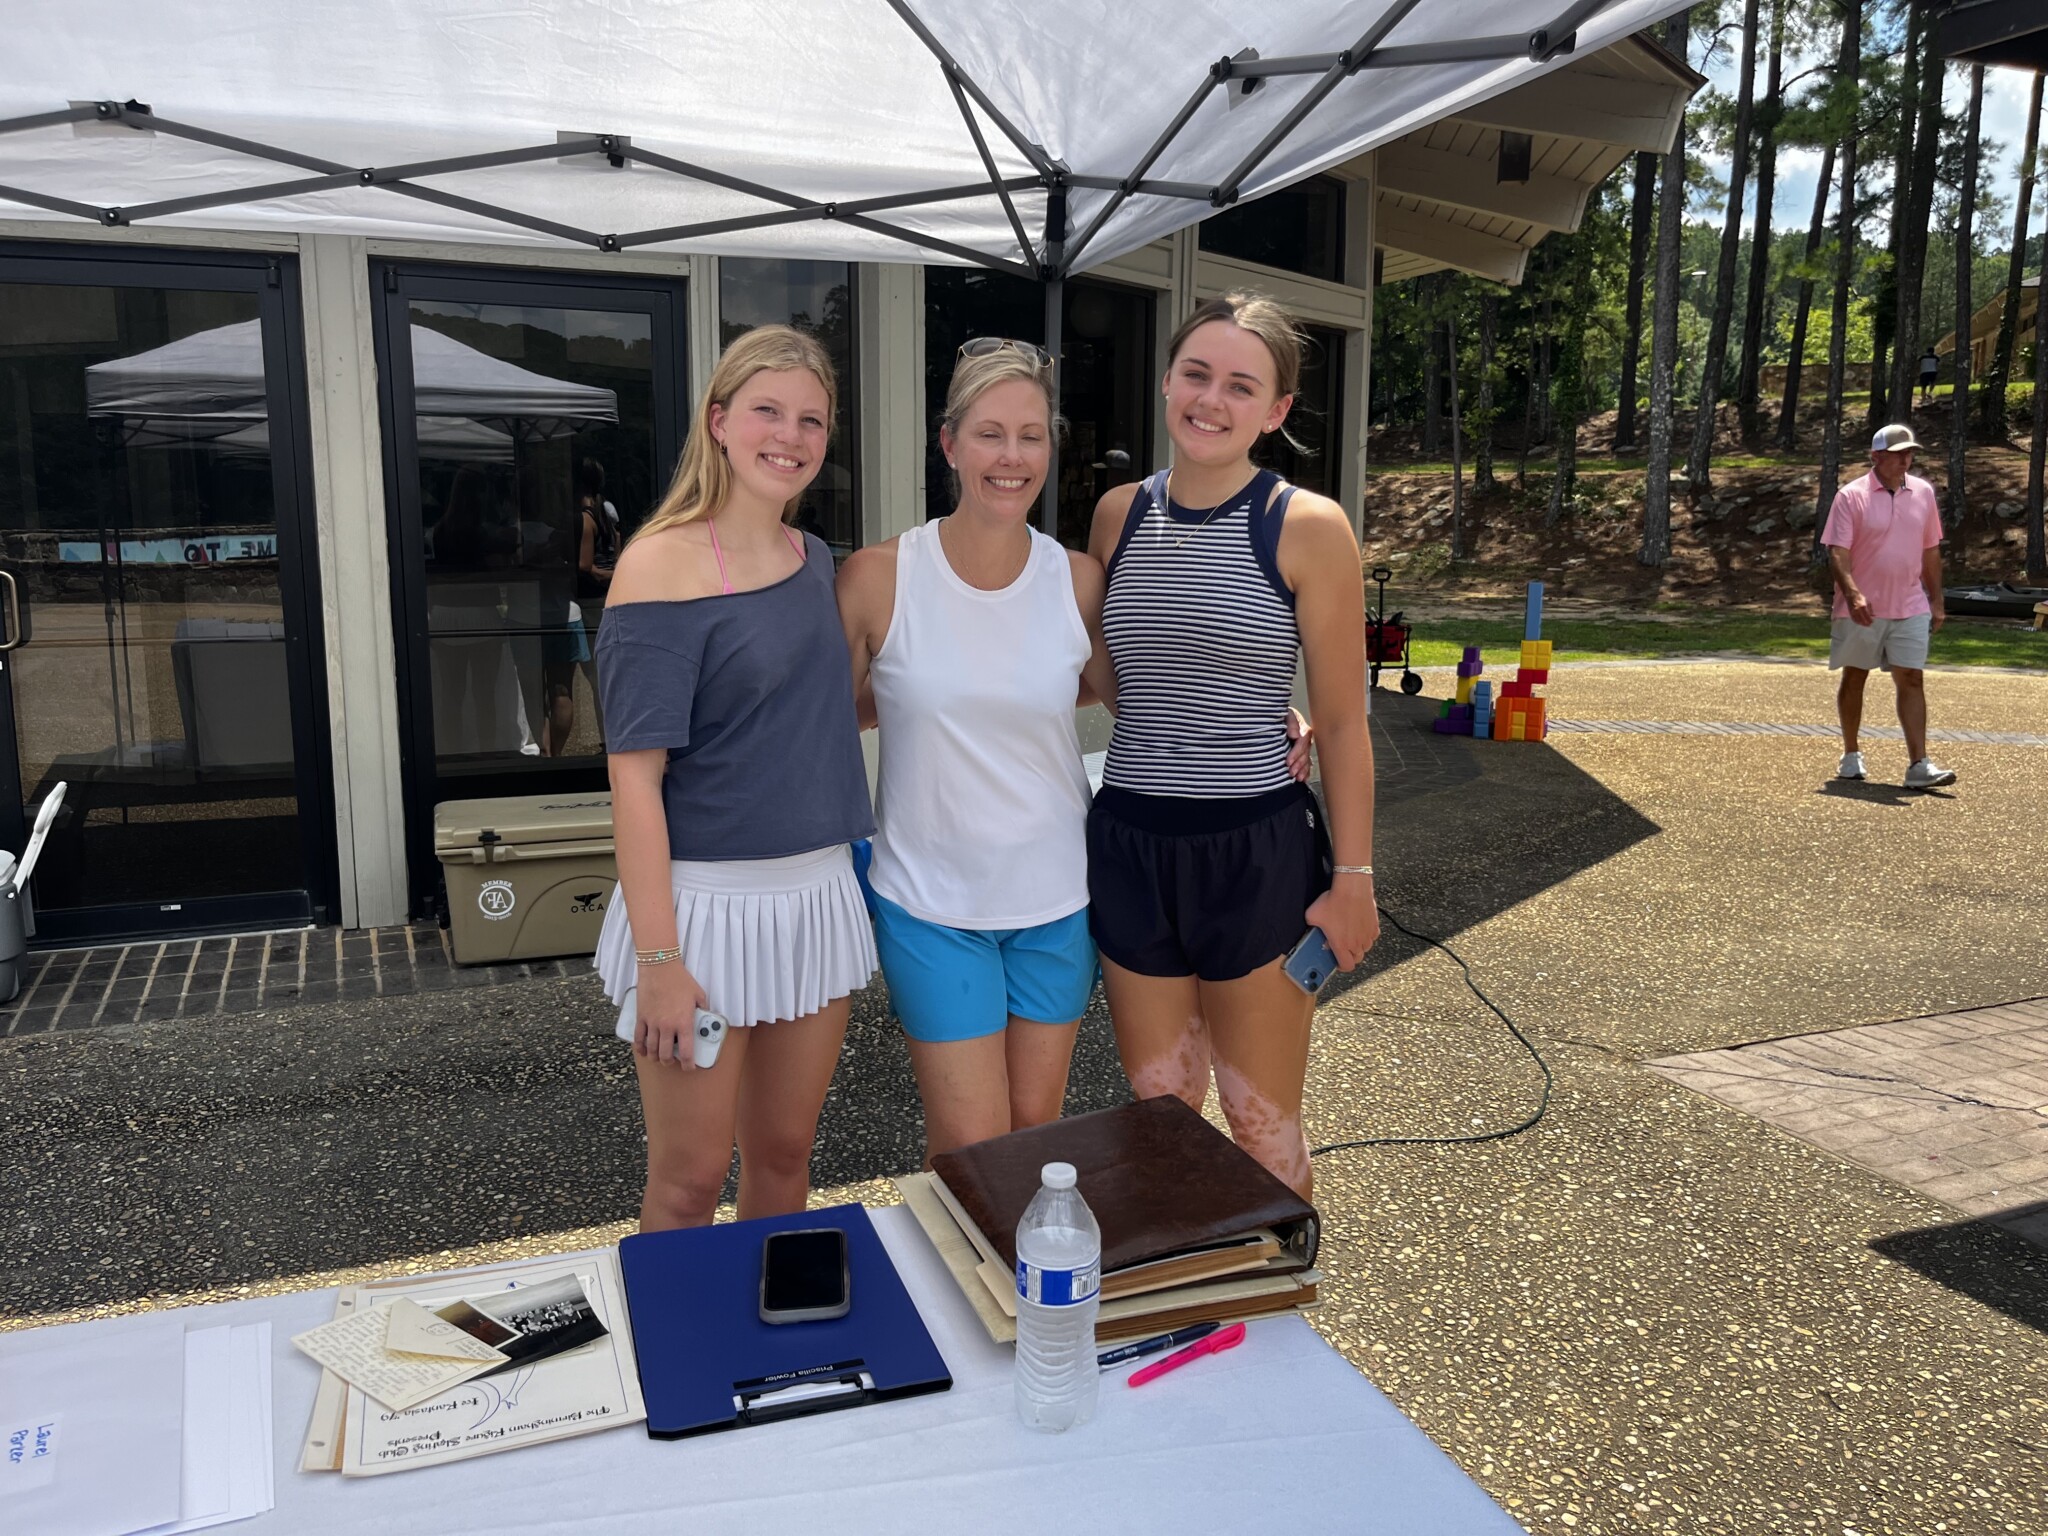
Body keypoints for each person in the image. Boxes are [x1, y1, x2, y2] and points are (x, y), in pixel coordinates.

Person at [1085, 292, 1378, 1201]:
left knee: (1260, 1123)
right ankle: (1187, 1284)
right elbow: (1114, 677)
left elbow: (1344, 721)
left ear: (1276, 410)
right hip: (1131, 841)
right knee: (1161, 1114)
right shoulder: (1117, 514)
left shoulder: (1308, 525)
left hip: (1255, 850)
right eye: (1197, 374)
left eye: (1241, 386)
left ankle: (1280, 1283)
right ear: (1167, 382)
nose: (1212, 400)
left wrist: (1354, 881)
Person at [592, 324, 878, 1231]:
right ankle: (674, 1325)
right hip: (702, 913)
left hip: (817, 897)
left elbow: (809, 714)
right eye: (767, 412)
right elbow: (635, 782)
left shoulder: (814, 559)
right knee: (688, 1178)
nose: (789, 436)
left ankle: (762, 1320)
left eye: (811, 420)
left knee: (786, 1156)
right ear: (718, 421)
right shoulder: (657, 564)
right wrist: (660, 962)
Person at [836, 340, 1115, 1163]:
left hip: (1058, 899)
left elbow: (1129, 693)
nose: (1011, 456)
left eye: (1031, 435)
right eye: (990, 434)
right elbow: (823, 720)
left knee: (1031, 1139)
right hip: (930, 903)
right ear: (949, 442)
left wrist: (1261, 715)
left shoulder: (1077, 580)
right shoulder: (877, 578)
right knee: (970, 1148)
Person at [1824, 423, 1956, 790]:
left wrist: (1937, 599)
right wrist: (1852, 594)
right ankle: (1851, 753)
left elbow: (1930, 550)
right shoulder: (1851, 496)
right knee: (1855, 676)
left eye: (1909, 453)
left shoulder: (1923, 493)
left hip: (1911, 603)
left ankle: (1919, 765)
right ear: (1876, 456)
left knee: (1912, 677)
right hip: (1862, 607)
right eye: (1898, 454)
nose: (1905, 459)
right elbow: (1837, 552)